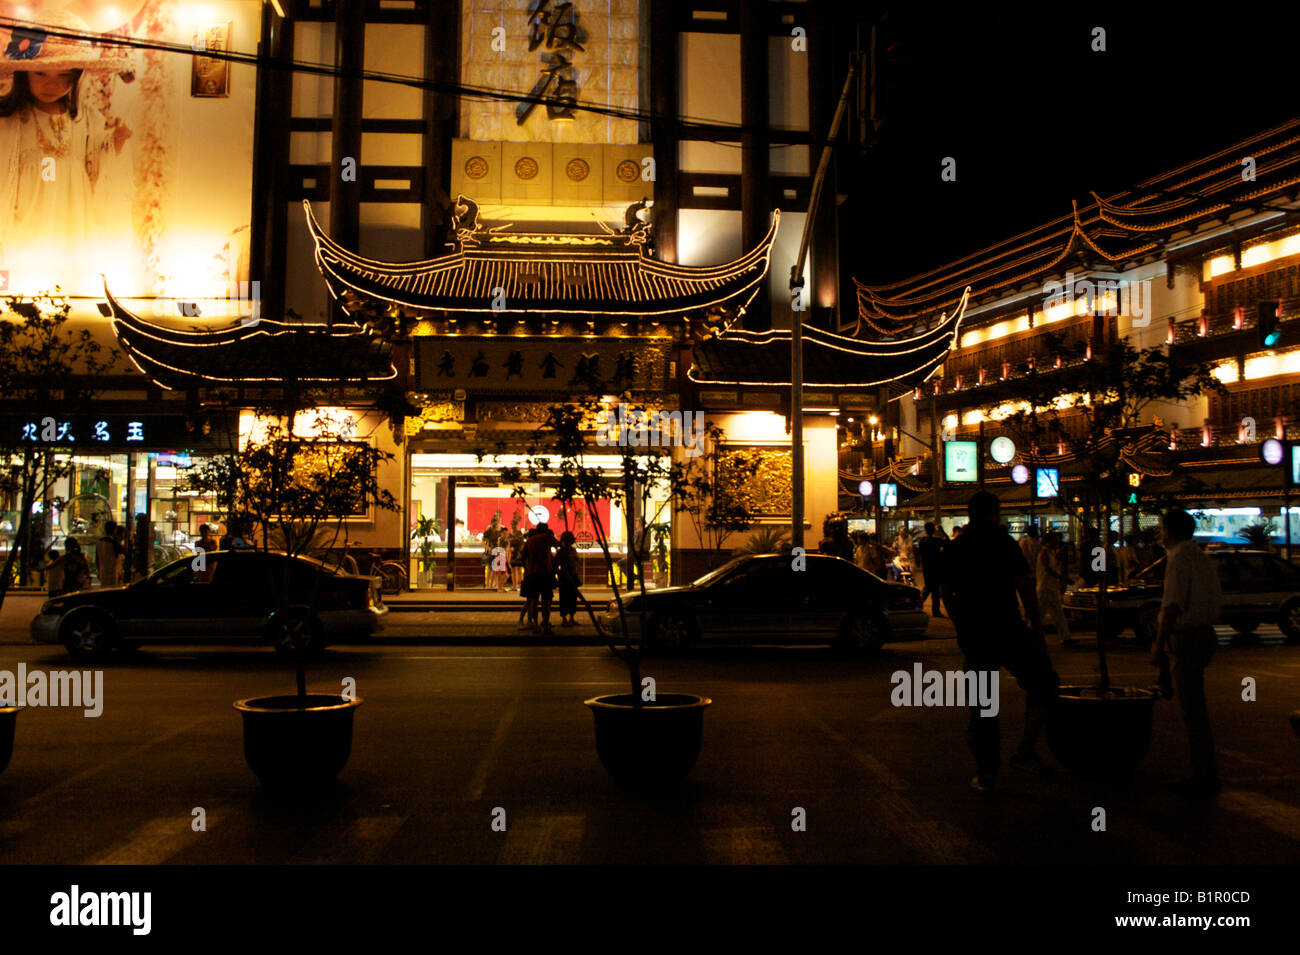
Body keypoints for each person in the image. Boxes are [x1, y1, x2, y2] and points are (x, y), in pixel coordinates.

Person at [0, 12, 133, 289]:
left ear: (77, 77)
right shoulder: (11, 119)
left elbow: (95, 165)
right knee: (30, 269)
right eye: (41, 74)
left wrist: (114, 142)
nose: (53, 85)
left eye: (64, 76)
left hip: (73, 202)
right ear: (24, 74)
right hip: (29, 205)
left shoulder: (85, 116)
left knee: (71, 265)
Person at [941, 491, 1060, 792]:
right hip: (1008, 628)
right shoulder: (1005, 543)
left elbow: (945, 593)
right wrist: (1036, 625)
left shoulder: (958, 547)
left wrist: (961, 623)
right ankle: (1025, 750)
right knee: (1043, 683)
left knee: (983, 706)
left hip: (976, 635)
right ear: (995, 512)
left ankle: (986, 771)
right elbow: (1025, 587)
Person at [1152, 508, 1223, 801]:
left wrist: (1158, 644)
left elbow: (1172, 606)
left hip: (1188, 638)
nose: (1160, 534)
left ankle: (1203, 776)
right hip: (1203, 635)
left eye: (1161, 528)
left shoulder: (1178, 558)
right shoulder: (1200, 556)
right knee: (1196, 709)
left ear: (1169, 531)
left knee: (1192, 711)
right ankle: (1204, 772)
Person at [1036, 531, 1074, 646]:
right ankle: (1031, 636)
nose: (1058, 542)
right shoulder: (1044, 552)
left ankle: (1066, 637)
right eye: (1055, 540)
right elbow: (1048, 569)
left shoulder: (1050, 552)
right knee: (1040, 614)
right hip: (1045, 587)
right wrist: (1062, 578)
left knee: (1058, 613)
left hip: (1051, 587)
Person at [521, 521, 558, 634]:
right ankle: (546, 625)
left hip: (533, 574)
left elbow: (523, 556)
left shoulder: (530, 540)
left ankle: (536, 625)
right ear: (546, 530)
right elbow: (559, 544)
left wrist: (527, 568)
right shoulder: (547, 537)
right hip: (545, 573)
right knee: (546, 602)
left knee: (534, 601)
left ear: (537, 529)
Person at [916, 522, 945, 617]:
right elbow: (948, 543)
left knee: (929, 588)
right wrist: (942, 531)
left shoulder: (922, 541)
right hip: (935, 567)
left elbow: (919, 554)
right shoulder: (936, 541)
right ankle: (932, 610)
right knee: (933, 589)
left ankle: (918, 606)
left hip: (927, 567)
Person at [556, 530, 581, 627]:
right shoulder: (561, 551)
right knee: (564, 598)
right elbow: (557, 564)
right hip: (564, 576)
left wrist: (575, 569)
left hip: (572, 575)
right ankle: (564, 619)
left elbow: (577, 561)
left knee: (572, 597)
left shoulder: (572, 550)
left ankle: (571, 617)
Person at [96, 520, 124, 587]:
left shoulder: (99, 542)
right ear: (114, 530)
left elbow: (97, 558)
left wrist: (98, 571)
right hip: (113, 572)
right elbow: (123, 551)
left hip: (103, 572)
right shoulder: (113, 543)